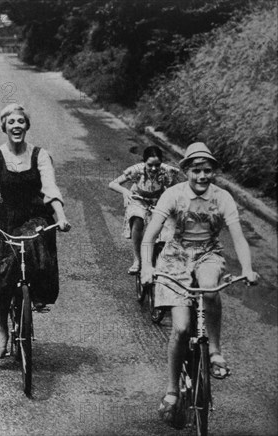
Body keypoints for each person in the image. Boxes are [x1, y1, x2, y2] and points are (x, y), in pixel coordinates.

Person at [140, 142, 259, 425]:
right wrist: (147, 266)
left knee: (209, 289)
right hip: (176, 254)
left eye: (207, 171)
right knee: (180, 328)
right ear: (186, 171)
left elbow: (238, 237)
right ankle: (171, 390)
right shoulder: (173, 194)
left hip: (207, 252)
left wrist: (248, 268)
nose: (202, 177)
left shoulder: (223, 198)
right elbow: (150, 235)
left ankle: (215, 352)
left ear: (213, 172)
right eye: (196, 171)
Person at [0, 103, 71, 358]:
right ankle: (3, 329)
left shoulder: (40, 155)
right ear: (4, 127)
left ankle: (36, 293)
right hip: (5, 217)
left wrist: (61, 217)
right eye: (11, 122)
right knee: (3, 276)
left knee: (34, 241)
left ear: (27, 126)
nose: (16, 126)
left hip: (35, 214)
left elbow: (50, 189)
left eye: (21, 122)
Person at [108, 145, 179, 274]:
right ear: (144, 162)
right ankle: (137, 259)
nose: (153, 168)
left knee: (168, 226)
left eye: (157, 165)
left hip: (158, 201)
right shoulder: (137, 170)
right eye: (150, 165)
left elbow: (178, 188)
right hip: (139, 199)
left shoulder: (166, 171)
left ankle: (164, 257)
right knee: (137, 218)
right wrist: (125, 191)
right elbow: (113, 183)